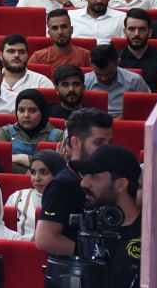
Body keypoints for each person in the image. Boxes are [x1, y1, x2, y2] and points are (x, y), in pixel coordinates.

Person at [70, 144, 146, 288]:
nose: (84, 183)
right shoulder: (89, 230)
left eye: (94, 176)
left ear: (120, 184)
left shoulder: (153, 234)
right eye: (84, 176)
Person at [34, 107, 114, 257]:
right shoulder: (62, 185)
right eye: (98, 143)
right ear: (75, 142)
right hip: (76, 269)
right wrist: (96, 253)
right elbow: (45, 239)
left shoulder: (109, 176)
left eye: (109, 142)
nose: (107, 149)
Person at [0, 89, 64, 174]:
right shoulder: (5, 133)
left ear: (42, 112)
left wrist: (22, 158)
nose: (26, 115)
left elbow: (60, 167)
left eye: (32, 110)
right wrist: (29, 172)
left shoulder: (58, 136)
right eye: (21, 110)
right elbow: (0, 165)